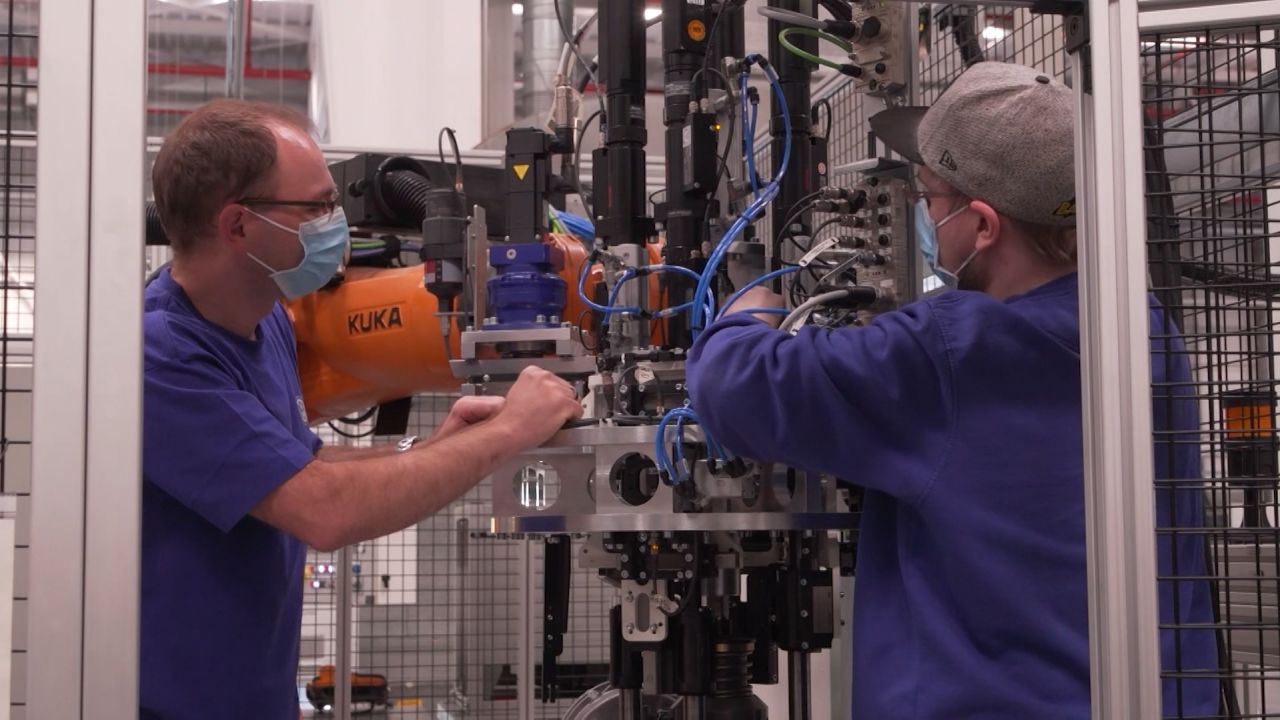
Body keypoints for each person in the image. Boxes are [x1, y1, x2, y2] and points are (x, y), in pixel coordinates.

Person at [686, 62, 1219, 718]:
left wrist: (751, 309)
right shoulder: (1143, 325)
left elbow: (734, 386)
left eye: (931, 198)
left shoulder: (950, 348)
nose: (923, 214)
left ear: (984, 226)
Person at [142, 99, 583, 719]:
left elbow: (303, 462)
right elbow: (322, 508)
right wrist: (508, 432)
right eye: (318, 206)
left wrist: (437, 444)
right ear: (238, 226)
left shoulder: (264, 319)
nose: (336, 221)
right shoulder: (157, 353)